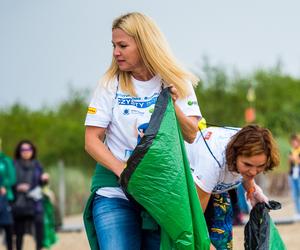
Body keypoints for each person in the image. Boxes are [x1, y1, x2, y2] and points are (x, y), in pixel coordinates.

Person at [83, 12, 201, 250]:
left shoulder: (177, 81)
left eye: (123, 45)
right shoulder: (110, 84)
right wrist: (122, 171)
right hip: (115, 190)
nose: (116, 52)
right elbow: (91, 140)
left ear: (145, 45)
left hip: (160, 191)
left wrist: (172, 106)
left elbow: (192, 134)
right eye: (114, 45)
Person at [185, 124, 280, 250]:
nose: (253, 172)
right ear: (234, 155)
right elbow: (195, 216)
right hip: (192, 188)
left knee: (223, 243)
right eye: (247, 164)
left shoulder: (252, 141)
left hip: (218, 188)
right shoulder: (212, 164)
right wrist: (205, 244)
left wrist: (252, 189)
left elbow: (250, 170)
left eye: (259, 166)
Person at [12, 140, 48, 250]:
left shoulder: (37, 165)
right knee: (19, 231)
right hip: (19, 201)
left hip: (35, 201)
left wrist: (44, 179)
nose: (26, 152)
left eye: (28, 149)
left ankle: (39, 247)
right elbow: (8, 181)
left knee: (39, 225)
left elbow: (41, 183)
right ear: (19, 151)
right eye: (23, 149)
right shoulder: (13, 164)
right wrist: (17, 186)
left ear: (32, 151)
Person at [0, 140, 16, 250]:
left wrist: (3, 185)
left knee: (8, 227)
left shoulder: (6, 161)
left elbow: (12, 179)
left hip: (6, 198)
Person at [288, 134, 300, 218]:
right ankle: (297, 212)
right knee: (294, 194)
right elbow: (290, 161)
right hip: (293, 174)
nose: (294, 143)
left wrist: (294, 158)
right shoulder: (291, 150)